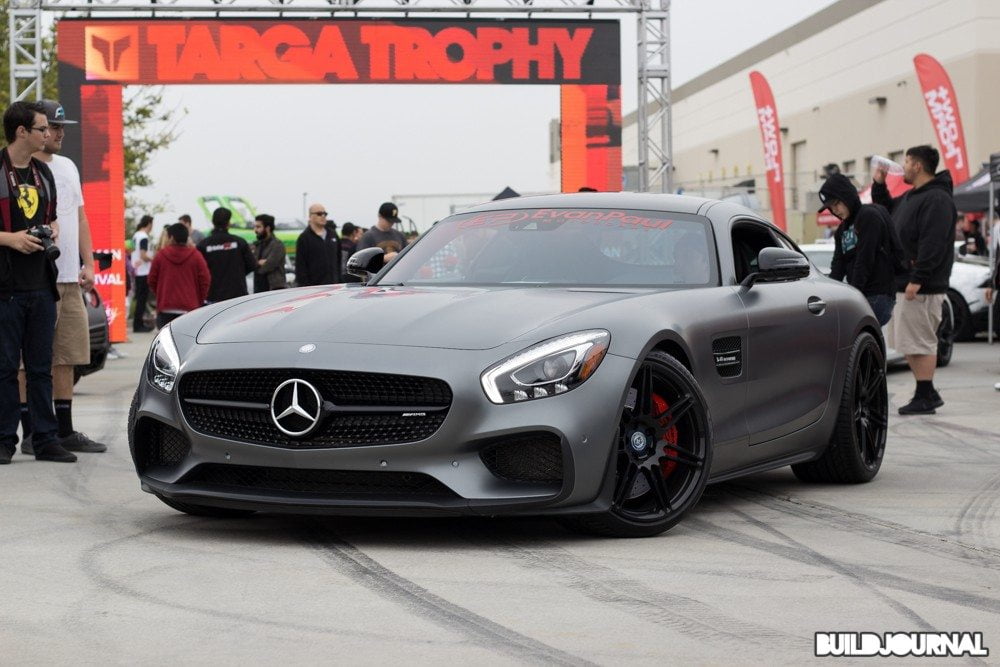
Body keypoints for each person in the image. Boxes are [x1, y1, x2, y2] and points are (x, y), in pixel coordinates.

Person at [18, 99, 107, 457]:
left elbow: (81, 218)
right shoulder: (18, 169)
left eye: (60, 127)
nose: (58, 133)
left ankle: (64, 428)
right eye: (52, 127)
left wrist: (88, 263)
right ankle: (29, 431)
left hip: (69, 276)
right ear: (33, 129)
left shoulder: (68, 166)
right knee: (29, 359)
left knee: (68, 354)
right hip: (34, 277)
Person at [0, 100, 76, 463]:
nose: (49, 134)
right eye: (42, 128)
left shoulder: (43, 174)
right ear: (21, 132)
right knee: (4, 369)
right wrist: (10, 238)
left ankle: (45, 439)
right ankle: (4, 441)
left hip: (42, 286)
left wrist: (54, 229)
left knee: (40, 368)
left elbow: (51, 218)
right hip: (5, 288)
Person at [872, 145, 957, 415]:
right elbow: (886, 210)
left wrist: (918, 278)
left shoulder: (937, 200)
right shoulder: (913, 196)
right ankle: (926, 391)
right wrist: (879, 184)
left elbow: (933, 243)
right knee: (910, 340)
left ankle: (925, 394)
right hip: (906, 281)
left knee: (921, 340)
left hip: (922, 285)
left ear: (917, 166)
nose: (903, 166)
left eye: (907, 161)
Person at [818, 172, 898, 325]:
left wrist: (854, 297)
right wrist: (829, 295)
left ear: (846, 196)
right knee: (860, 344)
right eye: (830, 207)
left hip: (877, 294)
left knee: (858, 341)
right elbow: (838, 265)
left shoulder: (868, 216)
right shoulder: (842, 229)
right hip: (861, 295)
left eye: (836, 204)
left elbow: (865, 259)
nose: (834, 210)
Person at [148, 223, 210, 328]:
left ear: (171, 238)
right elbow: (205, 279)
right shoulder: (196, 256)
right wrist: (198, 299)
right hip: (190, 309)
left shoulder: (161, 256)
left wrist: (161, 294)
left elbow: (151, 280)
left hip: (165, 309)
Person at [196, 207, 255, 303]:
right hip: (238, 296)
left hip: (213, 297)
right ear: (229, 223)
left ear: (212, 222)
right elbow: (252, 265)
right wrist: (237, 274)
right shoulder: (240, 242)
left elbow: (198, 272)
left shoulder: (203, 245)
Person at [295, 203, 341, 286]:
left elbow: (338, 259)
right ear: (310, 216)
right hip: (314, 288)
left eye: (325, 214)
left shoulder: (333, 234)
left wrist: (339, 280)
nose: (323, 216)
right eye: (319, 214)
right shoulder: (304, 238)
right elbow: (300, 267)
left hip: (334, 286)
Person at [131, 214, 154, 332]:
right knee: (142, 299)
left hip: (136, 270)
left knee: (139, 299)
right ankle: (138, 325)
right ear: (149, 224)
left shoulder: (135, 235)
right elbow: (143, 255)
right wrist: (154, 259)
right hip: (144, 271)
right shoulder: (144, 237)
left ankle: (137, 323)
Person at [252, 213, 286, 292]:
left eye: (258, 227)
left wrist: (257, 264)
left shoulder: (277, 244)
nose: (255, 230)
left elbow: (269, 265)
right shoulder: (257, 245)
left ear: (267, 228)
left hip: (274, 290)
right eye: (255, 227)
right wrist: (258, 263)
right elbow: (250, 263)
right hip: (259, 289)